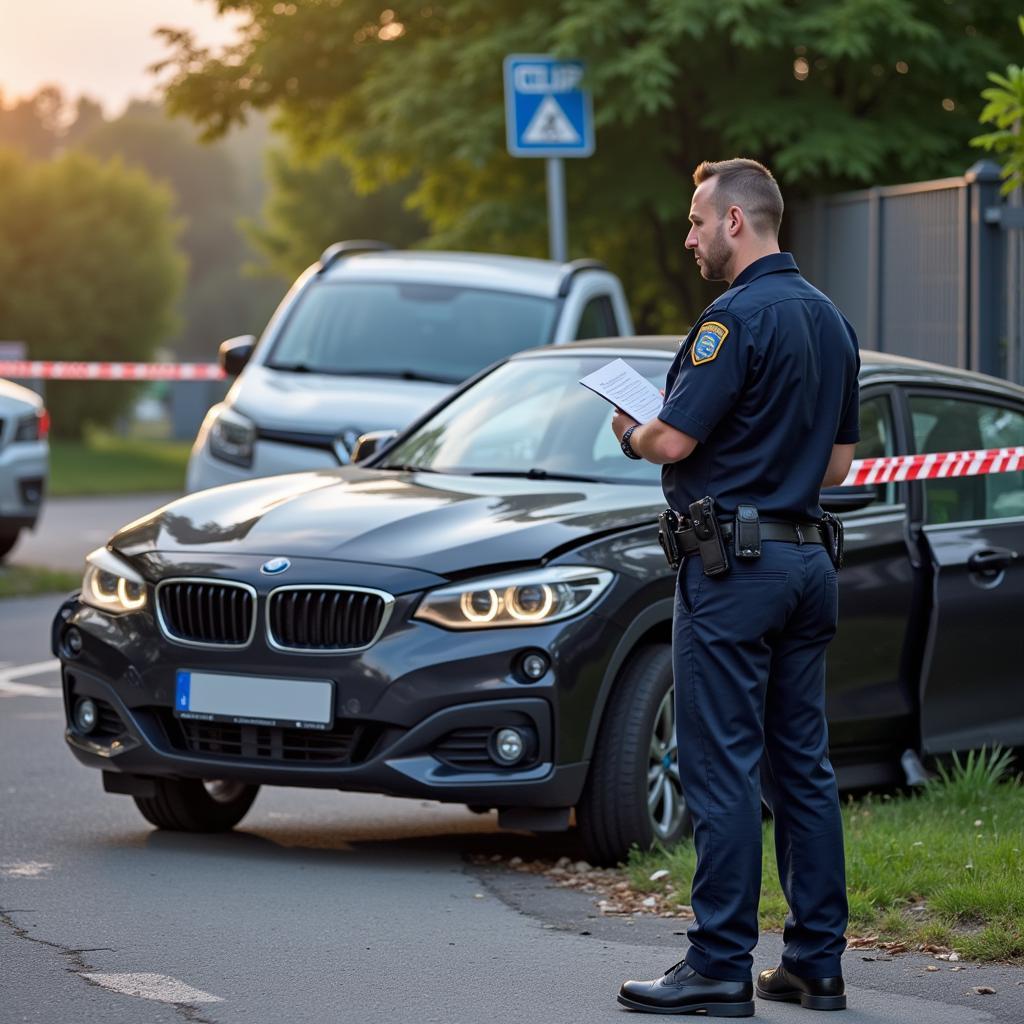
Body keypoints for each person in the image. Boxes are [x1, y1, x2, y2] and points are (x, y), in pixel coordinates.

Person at [610, 158, 860, 1016]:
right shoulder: (832, 321)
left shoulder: (732, 318)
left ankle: (718, 965)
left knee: (719, 765)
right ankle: (816, 964)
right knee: (803, 769)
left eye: (696, 221)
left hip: (733, 572)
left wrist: (629, 429)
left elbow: (673, 442)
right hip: (807, 564)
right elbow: (836, 463)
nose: (689, 237)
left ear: (737, 224)